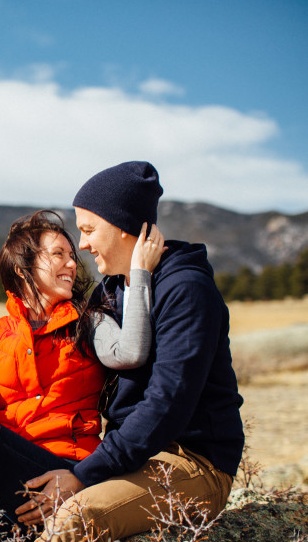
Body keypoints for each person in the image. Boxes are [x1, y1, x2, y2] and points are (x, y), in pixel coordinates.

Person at [13, 161, 244, 542]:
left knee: (75, 518)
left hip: (192, 462)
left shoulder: (186, 290)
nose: (82, 245)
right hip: (131, 455)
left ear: (123, 228)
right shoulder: (111, 289)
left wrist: (83, 475)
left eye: (88, 230)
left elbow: (167, 403)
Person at [0, 209, 165, 542]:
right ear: (24, 269)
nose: (71, 263)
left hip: (70, 472)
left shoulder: (88, 321)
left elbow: (131, 352)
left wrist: (139, 274)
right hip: (11, 475)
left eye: (70, 255)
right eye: (57, 254)